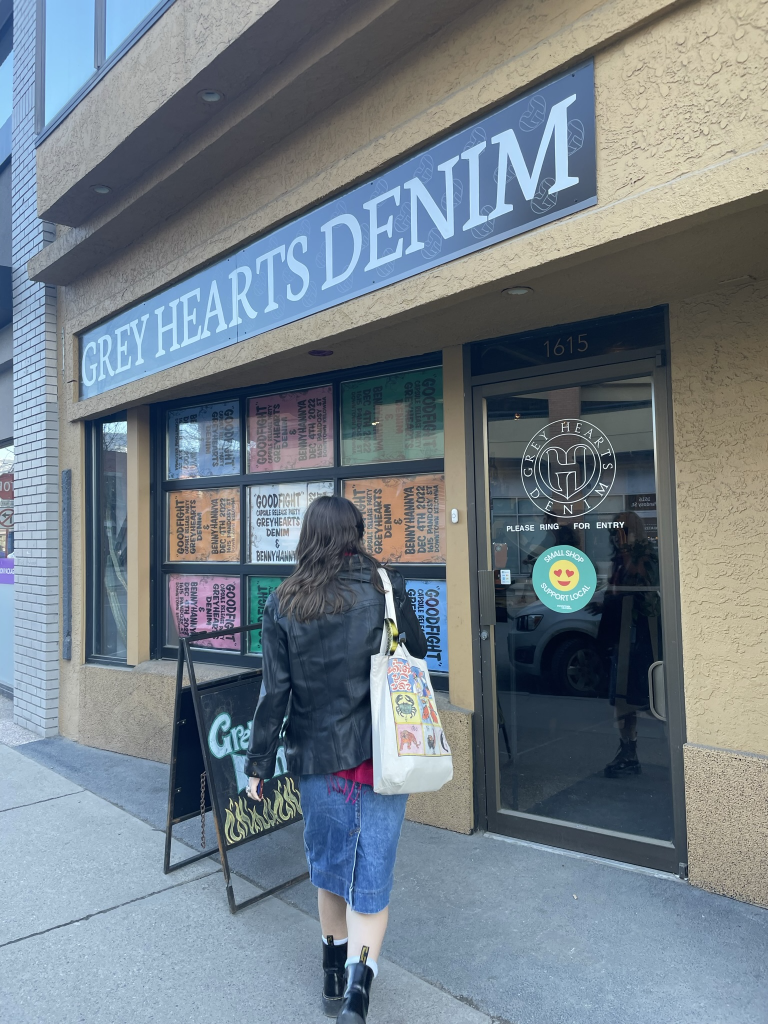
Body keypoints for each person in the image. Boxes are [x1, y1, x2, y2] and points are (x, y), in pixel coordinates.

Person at [244, 495, 428, 1023]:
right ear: (356, 532)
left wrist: (259, 765)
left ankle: (330, 969)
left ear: (308, 535)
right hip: (383, 755)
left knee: (329, 871)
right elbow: (414, 651)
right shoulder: (384, 587)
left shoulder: (283, 602)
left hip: (319, 758)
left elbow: (274, 693)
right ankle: (358, 990)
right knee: (372, 876)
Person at [597, 512, 660, 777]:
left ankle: (632, 752)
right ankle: (627, 750)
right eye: (614, 530)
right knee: (621, 700)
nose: (617, 534)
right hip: (620, 635)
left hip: (639, 637)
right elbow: (618, 592)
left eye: (622, 529)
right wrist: (604, 603)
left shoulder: (645, 557)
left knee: (641, 698)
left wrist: (627, 551)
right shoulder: (619, 559)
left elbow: (644, 593)